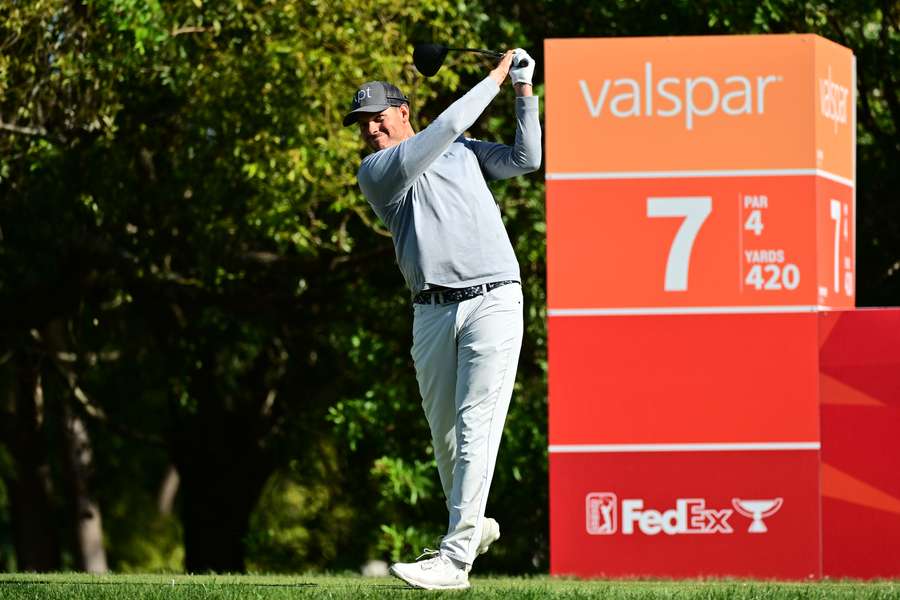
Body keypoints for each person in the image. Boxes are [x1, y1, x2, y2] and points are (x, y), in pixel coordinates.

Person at [343, 48, 541, 590]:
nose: (371, 128)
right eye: (363, 123)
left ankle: (455, 560)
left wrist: (524, 93)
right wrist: (497, 75)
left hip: (493, 300)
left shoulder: (463, 152)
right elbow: (451, 122)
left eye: (379, 116)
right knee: (447, 438)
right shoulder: (378, 172)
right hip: (430, 312)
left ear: (403, 111)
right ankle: (473, 527)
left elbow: (526, 161)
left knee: (477, 425)